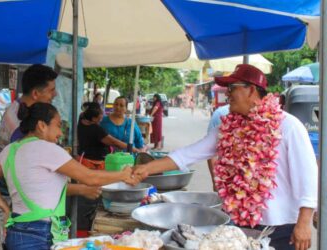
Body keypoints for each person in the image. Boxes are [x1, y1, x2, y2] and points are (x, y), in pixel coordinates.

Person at [133, 64, 318, 250]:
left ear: (251, 90)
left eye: (232, 88)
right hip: (241, 228)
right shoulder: (227, 129)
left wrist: (304, 222)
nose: (227, 94)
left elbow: (308, 177)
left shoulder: (289, 126)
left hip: (282, 229)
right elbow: (188, 154)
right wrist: (147, 168)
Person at [0, 102, 138, 249]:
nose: (61, 133)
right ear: (41, 125)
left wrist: (6, 208)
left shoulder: (10, 150)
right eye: (58, 126)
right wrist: (123, 174)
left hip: (16, 231)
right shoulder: (49, 149)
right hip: (39, 235)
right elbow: (90, 177)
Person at [0, 64, 99, 248]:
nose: (55, 95)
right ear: (35, 94)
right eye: (51, 90)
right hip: (23, 210)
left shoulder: (23, 112)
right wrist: (82, 188)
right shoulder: (22, 127)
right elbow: (35, 178)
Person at [77, 102, 140, 231]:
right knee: (94, 194)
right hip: (94, 165)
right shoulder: (96, 128)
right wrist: (134, 150)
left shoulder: (81, 122)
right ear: (94, 118)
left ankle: (85, 222)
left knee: (88, 194)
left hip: (84, 161)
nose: (102, 116)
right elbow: (113, 141)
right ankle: (88, 223)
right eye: (100, 114)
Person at [206, 104, 230, 191]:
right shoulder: (220, 113)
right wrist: (215, 181)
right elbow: (210, 150)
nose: (228, 94)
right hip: (226, 180)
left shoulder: (269, 116)